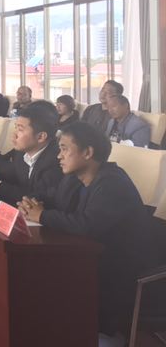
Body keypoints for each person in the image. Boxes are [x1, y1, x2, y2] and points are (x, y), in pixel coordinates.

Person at [19, 123, 156, 340]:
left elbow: (86, 225)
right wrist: (32, 204)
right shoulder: (76, 178)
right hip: (92, 259)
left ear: (88, 152)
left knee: (45, 281)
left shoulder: (113, 183)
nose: (58, 156)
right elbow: (54, 198)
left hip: (119, 272)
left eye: (64, 148)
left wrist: (42, 216)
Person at [0, 101, 62, 205]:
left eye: (20, 129)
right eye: (16, 127)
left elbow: (37, 199)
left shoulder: (58, 160)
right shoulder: (22, 152)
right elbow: (13, 177)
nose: (14, 134)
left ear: (40, 137)